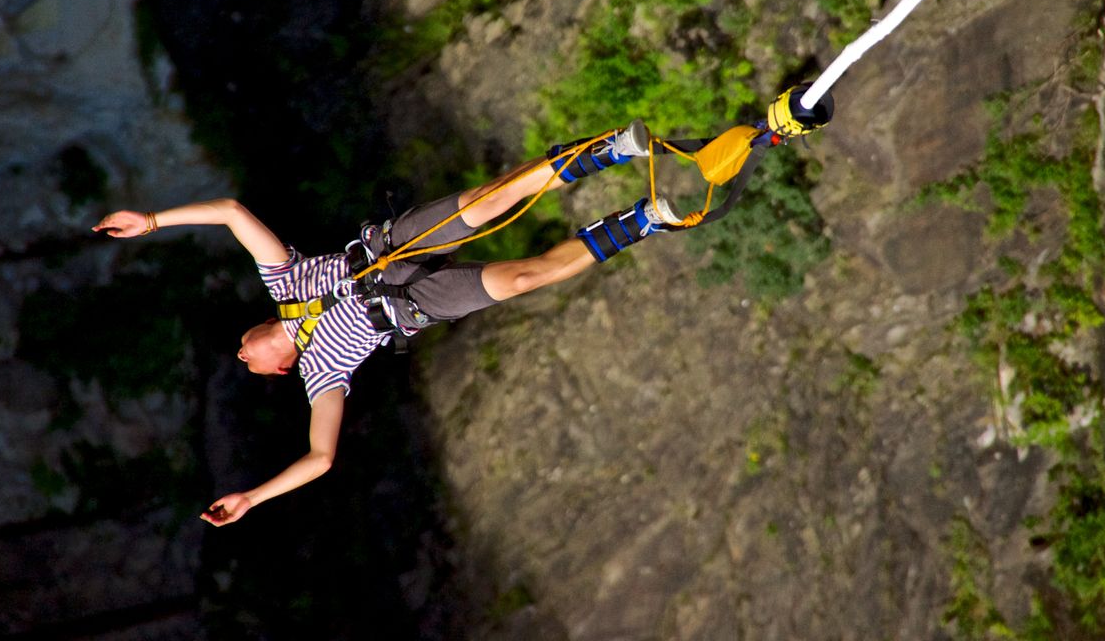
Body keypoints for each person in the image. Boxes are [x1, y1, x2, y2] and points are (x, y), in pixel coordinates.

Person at [92, 121, 680, 526]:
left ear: (258, 333)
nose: (243, 358)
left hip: (387, 251)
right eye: (250, 367)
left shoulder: (282, 278)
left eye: (241, 353)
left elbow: (229, 213)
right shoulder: (321, 376)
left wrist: (150, 221)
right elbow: (320, 458)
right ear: (282, 368)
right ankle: (641, 220)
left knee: (488, 202)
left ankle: (605, 152)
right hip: (413, 304)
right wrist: (253, 496)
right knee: (524, 279)